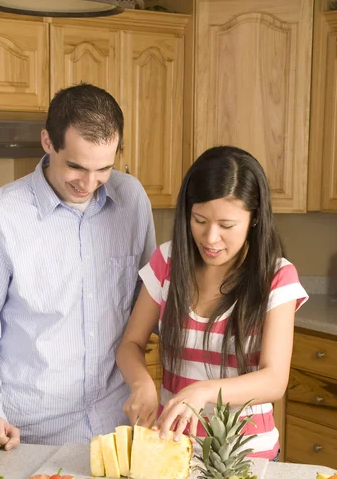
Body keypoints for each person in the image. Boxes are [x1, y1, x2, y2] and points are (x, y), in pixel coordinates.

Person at [0, 83, 156, 451]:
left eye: (103, 168)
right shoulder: (0, 216)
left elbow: (149, 298)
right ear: (48, 142)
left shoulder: (132, 199)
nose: (89, 183)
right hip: (30, 435)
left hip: (117, 429)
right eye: (75, 166)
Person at [117, 146, 308, 460]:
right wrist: (141, 383)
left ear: (255, 218)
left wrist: (204, 391)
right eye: (200, 220)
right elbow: (131, 343)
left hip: (246, 457)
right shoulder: (168, 261)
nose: (210, 238)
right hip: (173, 449)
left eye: (227, 226)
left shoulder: (276, 277)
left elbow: (274, 379)